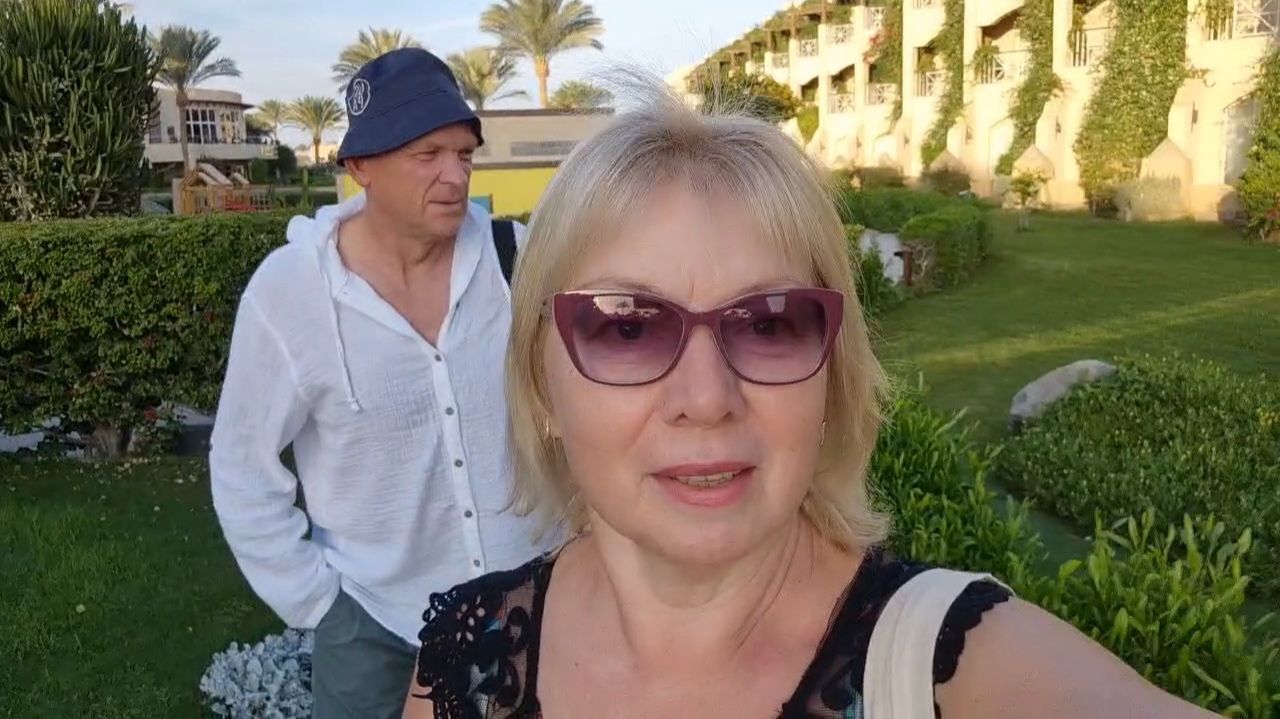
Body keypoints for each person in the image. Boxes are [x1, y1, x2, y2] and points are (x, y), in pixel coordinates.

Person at [402, 81, 1220, 719]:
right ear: (541, 383)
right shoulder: (467, 656)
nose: (706, 398)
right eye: (627, 327)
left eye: (770, 323)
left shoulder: (961, 665)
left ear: (833, 374)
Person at [209, 47, 543, 719]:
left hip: (530, 602)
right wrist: (320, 604)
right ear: (361, 166)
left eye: (464, 154)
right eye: (427, 155)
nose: (455, 176)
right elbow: (241, 464)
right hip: (377, 623)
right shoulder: (291, 294)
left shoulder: (517, 258)